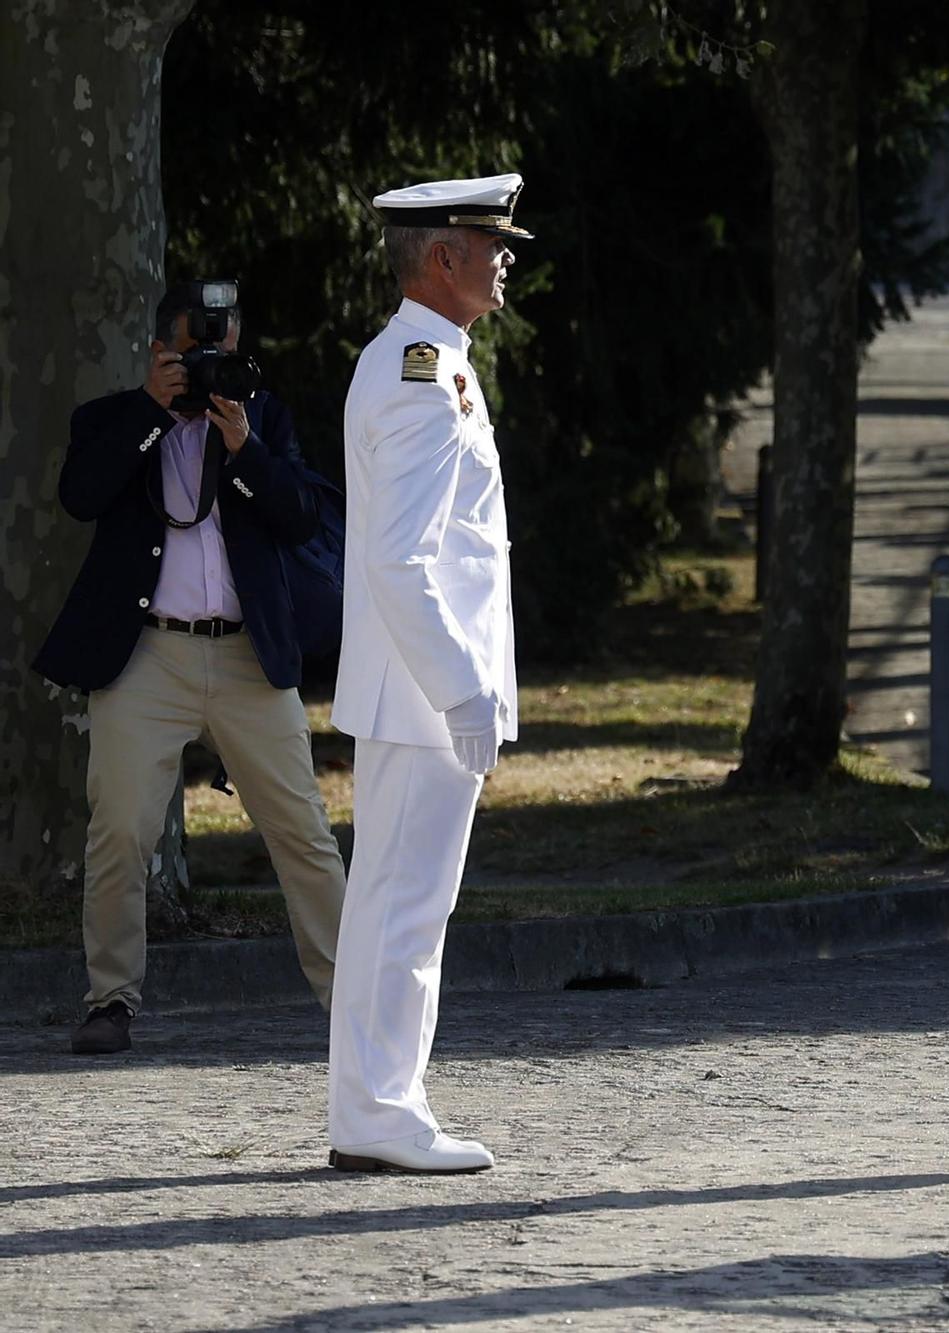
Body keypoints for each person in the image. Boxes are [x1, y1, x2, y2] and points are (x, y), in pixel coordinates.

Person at [34, 282, 346, 1055]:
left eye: (227, 351)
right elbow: (79, 495)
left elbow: (305, 512)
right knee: (120, 830)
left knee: (303, 830)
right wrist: (151, 411)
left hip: (248, 654)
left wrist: (245, 449)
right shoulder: (112, 417)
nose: (215, 366)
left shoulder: (263, 417)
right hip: (148, 655)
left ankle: (354, 1001)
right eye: (198, 353)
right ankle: (111, 999)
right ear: (159, 352)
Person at [326, 174, 528, 1174]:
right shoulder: (418, 371)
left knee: (398, 903)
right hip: (422, 692)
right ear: (438, 257)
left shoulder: (432, 359)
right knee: (402, 906)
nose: (504, 257)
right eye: (487, 242)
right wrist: (461, 685)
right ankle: (377, 1110)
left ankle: (378, 1101)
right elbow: (403, 558)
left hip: (419, 687)